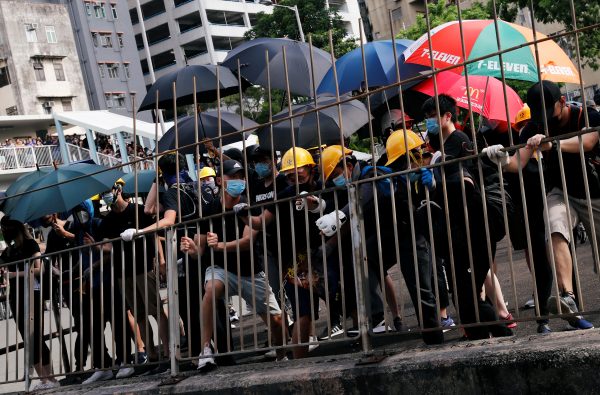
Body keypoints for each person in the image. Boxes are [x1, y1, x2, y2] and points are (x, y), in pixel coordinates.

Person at [180, 159, 285, 369]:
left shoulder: (248, 206)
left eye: (240, 177)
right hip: (221, 270)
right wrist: (191, 248)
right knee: (210, 289)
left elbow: (247, 242)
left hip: (250, 272)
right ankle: (206, 350)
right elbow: (199, 251)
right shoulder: (209, 209)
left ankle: (283, 351)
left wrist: (218, 246)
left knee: (277, 321)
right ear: (220, 180)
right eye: (232, 177)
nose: (238, 181)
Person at [422, 94, 512, 340]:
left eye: (432, 117)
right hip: (457, 230)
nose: (428, 122)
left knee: (468, 293)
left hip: (473, 227)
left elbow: (466, 182)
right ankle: (483, 336)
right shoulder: (441, 147)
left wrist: (437, 182)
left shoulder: (459, 141)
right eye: (427, 117)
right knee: (464, 295)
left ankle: (498, 333)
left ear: (447, 116)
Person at [523, 81, 599, 330]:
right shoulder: (534, 126)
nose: (544, 120)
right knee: (554, 224)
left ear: (562, 102)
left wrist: (552, 144)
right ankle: (569, 297)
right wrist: (498, 158)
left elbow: (587, 142)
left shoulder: (586, 114)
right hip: (560, 192)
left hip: (594, 192)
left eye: (548, 111)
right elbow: (518, 160)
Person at [483, 104, 554, 334]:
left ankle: (559, 298)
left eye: (526, 124)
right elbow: (516, 162)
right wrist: (501, 160)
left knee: (550, 249)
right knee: (531, 250)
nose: (524, 128)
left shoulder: (539, 129)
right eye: (520, 125)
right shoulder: (488, 134)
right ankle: (542, 308)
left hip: (548, 196)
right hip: (518, 203)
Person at [87, 180, 169, 377]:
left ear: (119, 190)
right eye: (104, 193)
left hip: (144, 268)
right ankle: (152, 354)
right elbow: (108, 247)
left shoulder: (139, 210)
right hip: (123, 273)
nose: (107, 196)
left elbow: (155, 236)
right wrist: (95, 246)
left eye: (109, 191)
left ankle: (168, 352)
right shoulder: (107, 221)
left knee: (156, 310)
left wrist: (161, 261)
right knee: (139, 314)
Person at [0, 216, 59, 390]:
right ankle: (44, 379)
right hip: (15, 297)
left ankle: (51, 378)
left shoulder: (30, 245)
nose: (4, 231)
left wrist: (14, 275)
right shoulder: (9, 251)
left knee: (36, 338)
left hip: (32, 293)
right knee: (28, 339)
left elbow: (38, 268)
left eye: (5, 228)